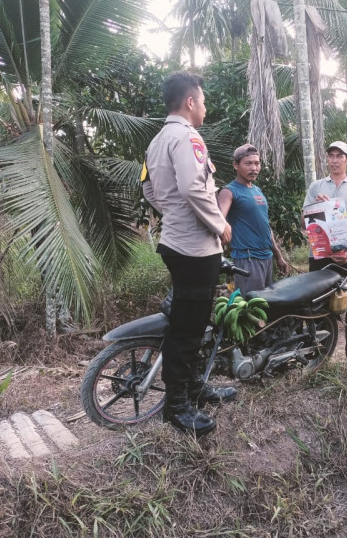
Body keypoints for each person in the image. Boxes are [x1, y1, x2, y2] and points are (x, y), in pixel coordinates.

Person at [142, 71, 237, 437]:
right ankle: (177, 405)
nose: (205, 107)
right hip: (196, 249)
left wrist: (173, 215)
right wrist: (219, 224)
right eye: (203, 100)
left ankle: (195, 386)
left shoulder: (158, 140)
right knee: (187, 328)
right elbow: (195, 189)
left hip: (176, 242)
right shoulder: (187, 137)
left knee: (194, 321)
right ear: (190, 102)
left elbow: (149, 190)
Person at [303, 141, 347, 359]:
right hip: (321, 256)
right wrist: (315, 206)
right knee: (317, 303)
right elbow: (305, 221)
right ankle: (320, 353)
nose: (334, 160)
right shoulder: (316, 187)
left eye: (339, 156)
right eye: (331, 155)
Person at [218, 144, 289, 294]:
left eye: (257, 163)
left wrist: (278, 256)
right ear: (236, 165)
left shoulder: (257, 191)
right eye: (248, 163)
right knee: (251, 310)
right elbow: (218, 219)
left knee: (266, 308)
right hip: (247, 259)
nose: (254, 168)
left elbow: (265, 226)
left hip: (266, 257)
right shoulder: (229, 191)